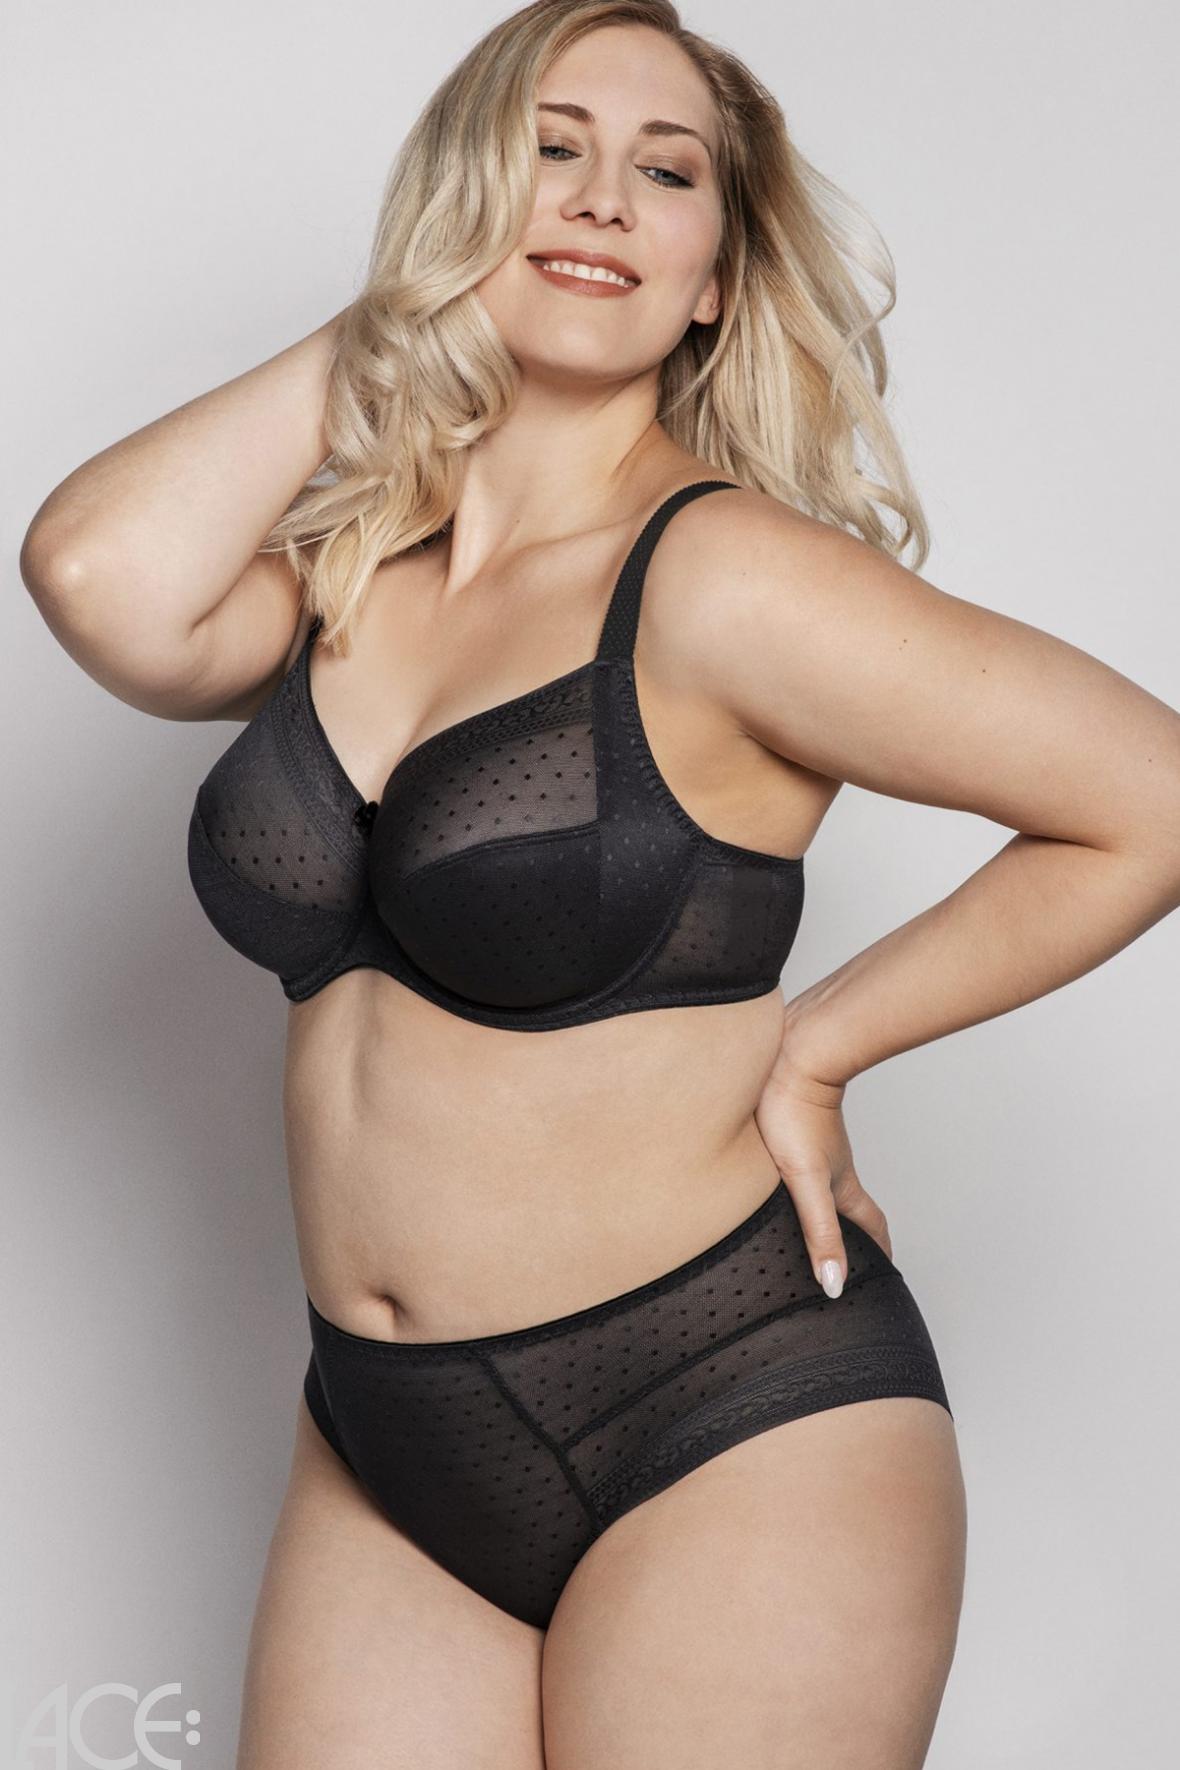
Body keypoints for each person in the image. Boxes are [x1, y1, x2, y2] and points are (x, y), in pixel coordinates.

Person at [20, 2, 1180, 1764]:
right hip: (385, 1451)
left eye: (667, 172)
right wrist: (406, 310)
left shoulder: (726, 578)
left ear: (715, 274)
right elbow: (95, 572)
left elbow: (1149, 795)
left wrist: (821, 1046)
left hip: (730, 1411)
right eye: (548, 150)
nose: (602, 200)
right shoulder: (351, 574)